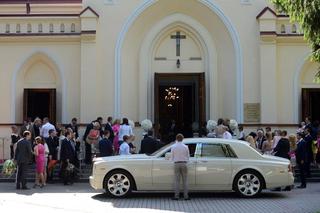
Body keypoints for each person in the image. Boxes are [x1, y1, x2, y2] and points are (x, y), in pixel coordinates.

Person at [171, 134, 190, 200]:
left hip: (176, 163)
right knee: (185, 180)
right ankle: (186, 196)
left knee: (177, 181)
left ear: (176, 138)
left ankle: (176, 196)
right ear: (182, 139)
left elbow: (172, 157)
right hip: (184, 163)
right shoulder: (185, 147)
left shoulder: (173, 146)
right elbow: (188, 157)